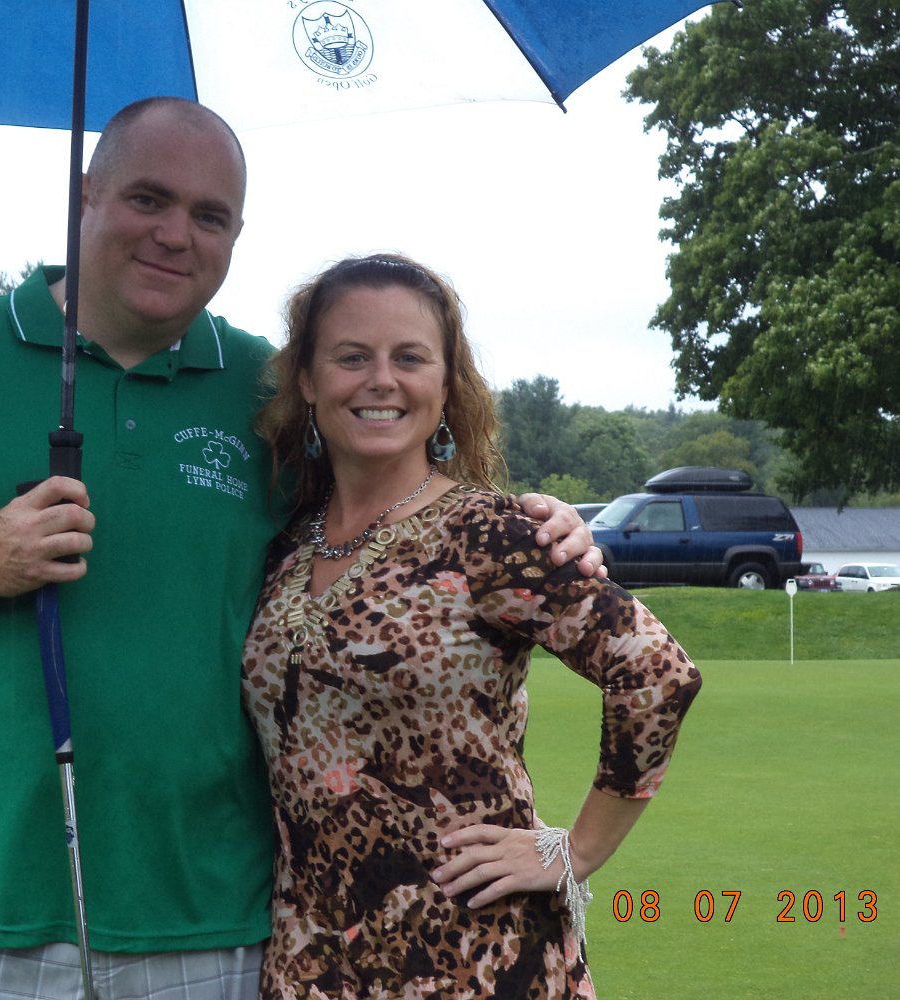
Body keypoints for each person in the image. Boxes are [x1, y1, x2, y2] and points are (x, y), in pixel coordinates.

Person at [0, 100, 602, 1000]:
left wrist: (533, 524)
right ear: (84, 197)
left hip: (217, 926)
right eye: (147, 199)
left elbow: (390, 493)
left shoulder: (267, 391)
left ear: (236, 234)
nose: (175, 234)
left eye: (209, 216)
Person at [242, 253, 702, 998]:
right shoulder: (286, 545)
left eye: (409, 358)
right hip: (311, 961)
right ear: (307, 379)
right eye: (351, 357)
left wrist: (575, 851)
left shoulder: (491, 536)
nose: (381, 380)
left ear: (447, 383)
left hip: (472, 956)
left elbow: (655, 671)